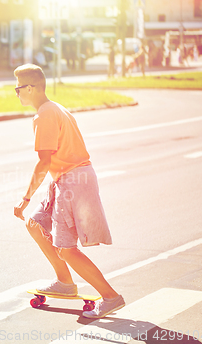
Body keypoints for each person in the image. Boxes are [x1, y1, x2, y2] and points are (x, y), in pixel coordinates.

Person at [12, 64, 125, 319]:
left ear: (30, 88)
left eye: (17, 88)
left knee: (66, 248)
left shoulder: (45, 115)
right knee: (35, 224)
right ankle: (65, 282)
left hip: (73, 180)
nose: (16, 93)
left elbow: (44, 162)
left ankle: (110, 297)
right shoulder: (54, 108)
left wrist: (25, 198)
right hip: (64, 180)